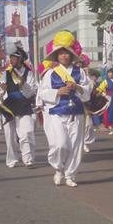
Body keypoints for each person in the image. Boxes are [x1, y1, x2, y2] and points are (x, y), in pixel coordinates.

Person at [38, 31, 91, 187]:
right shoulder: (50, 73)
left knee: (75, 145)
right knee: (60, 144)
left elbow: (87, 91)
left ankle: (70, 175)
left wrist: (77, 87)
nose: (64, 56)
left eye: (66, 53)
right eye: (60, 54)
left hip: (76, 113)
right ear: (56, 56)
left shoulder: (79, 72)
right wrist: (57, 92)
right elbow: (42, 92)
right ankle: (59, 168)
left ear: (71, 55)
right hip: (57, 113)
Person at [0, 43, 38, 168]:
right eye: (10, 58)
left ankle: (28, 159)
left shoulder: (29, 74)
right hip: (9, 107)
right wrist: (1, 90)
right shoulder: (6, 74)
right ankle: (12, 159)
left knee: (27, 132)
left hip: (24, 106)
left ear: (19, 58)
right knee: (10, 136)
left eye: (13, 58)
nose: (11, 60)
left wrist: (23, 84)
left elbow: (32, 91)